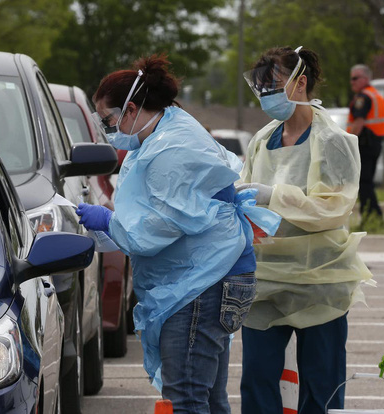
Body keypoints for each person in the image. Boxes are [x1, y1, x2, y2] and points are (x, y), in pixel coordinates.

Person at [75, 54, 280, 413]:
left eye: (109, 119)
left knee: (185, 396)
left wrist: (108, 222)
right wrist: (114, 221)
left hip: (203, 282)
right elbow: (160, 210)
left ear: (132, 108)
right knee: (206, 396)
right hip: (209, 275)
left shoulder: (171, 147)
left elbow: (158, 226)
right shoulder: (165, 133)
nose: (110, 128)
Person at [238, 46, 374, 414]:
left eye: (274, 85)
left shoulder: (332, 141)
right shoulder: (261, 141)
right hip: (265, 279)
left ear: (301, 83)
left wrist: (273, 196)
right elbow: (244, 197)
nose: (266, 94)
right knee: (257, 379)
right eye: (262, 87)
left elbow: (332, 207)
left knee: (322, 387)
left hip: (319, 280)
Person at [347, 64, 384, 229]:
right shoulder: (375, 95)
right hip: (375, 143)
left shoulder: (362, 98)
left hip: (365, 144)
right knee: (367, 183)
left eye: (355, 78)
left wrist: (348, 143)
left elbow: (358, 124)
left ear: (365, 78)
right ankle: (375, 219)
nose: (352, 82)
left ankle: (372, 218)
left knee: (364, 184)